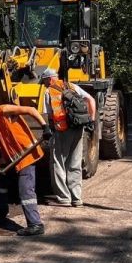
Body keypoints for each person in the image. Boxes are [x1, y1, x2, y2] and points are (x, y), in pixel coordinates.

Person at [0, 97, 50, 236]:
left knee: (25, 190)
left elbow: (31, 110)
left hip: (27, 155)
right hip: (13, 158)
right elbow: (6, 147)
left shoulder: (3, 110)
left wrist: (45, 126)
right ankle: (0, 214)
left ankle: (35, 224)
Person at [39, 68, 96, 207]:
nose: (44, 84)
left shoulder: (49, 92)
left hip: (61, 130)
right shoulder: (71, 86)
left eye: (45, 81)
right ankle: (77, 198)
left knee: (58, 163)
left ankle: (64, 198)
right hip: (78, 127)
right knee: (75, 162)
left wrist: (47, 130)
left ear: (49, 79)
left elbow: (49, 115)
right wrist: (92, 121)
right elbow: (91, 99)